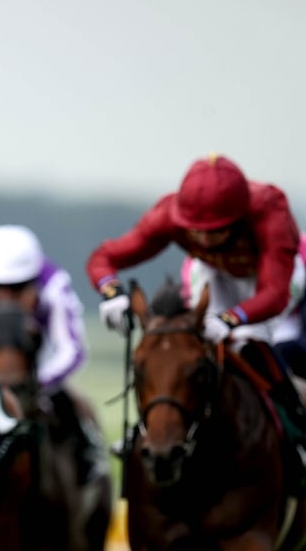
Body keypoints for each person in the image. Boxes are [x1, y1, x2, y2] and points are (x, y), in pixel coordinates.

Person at [87, 154, 306, 463]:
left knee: (249, 341)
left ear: (240, 217)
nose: (203, 237)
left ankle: (294, 430)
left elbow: (274, 294)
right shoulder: (168, 214)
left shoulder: (271, 212)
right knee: (186, 345)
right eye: (195, 229)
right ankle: (152, 426)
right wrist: (111, 291)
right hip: (212, 272)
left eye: (215, 230)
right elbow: (104, 258)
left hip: (270, 278)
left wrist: (231, 319)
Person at [0, 224, 100, 481]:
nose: (6, 297)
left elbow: (71, 349)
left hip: (39, 365)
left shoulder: (54, 286)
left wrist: (40, 382)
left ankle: (88, 455)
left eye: (17, 288)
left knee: (69, 405)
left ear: (32, 281)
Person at [181, 231, 306, 374]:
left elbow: (274, 301)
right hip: (233, 322)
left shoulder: (293, 251)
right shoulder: (195, 263)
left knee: (260, 348)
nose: (206, 239)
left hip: (282, 327)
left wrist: (228, 320)